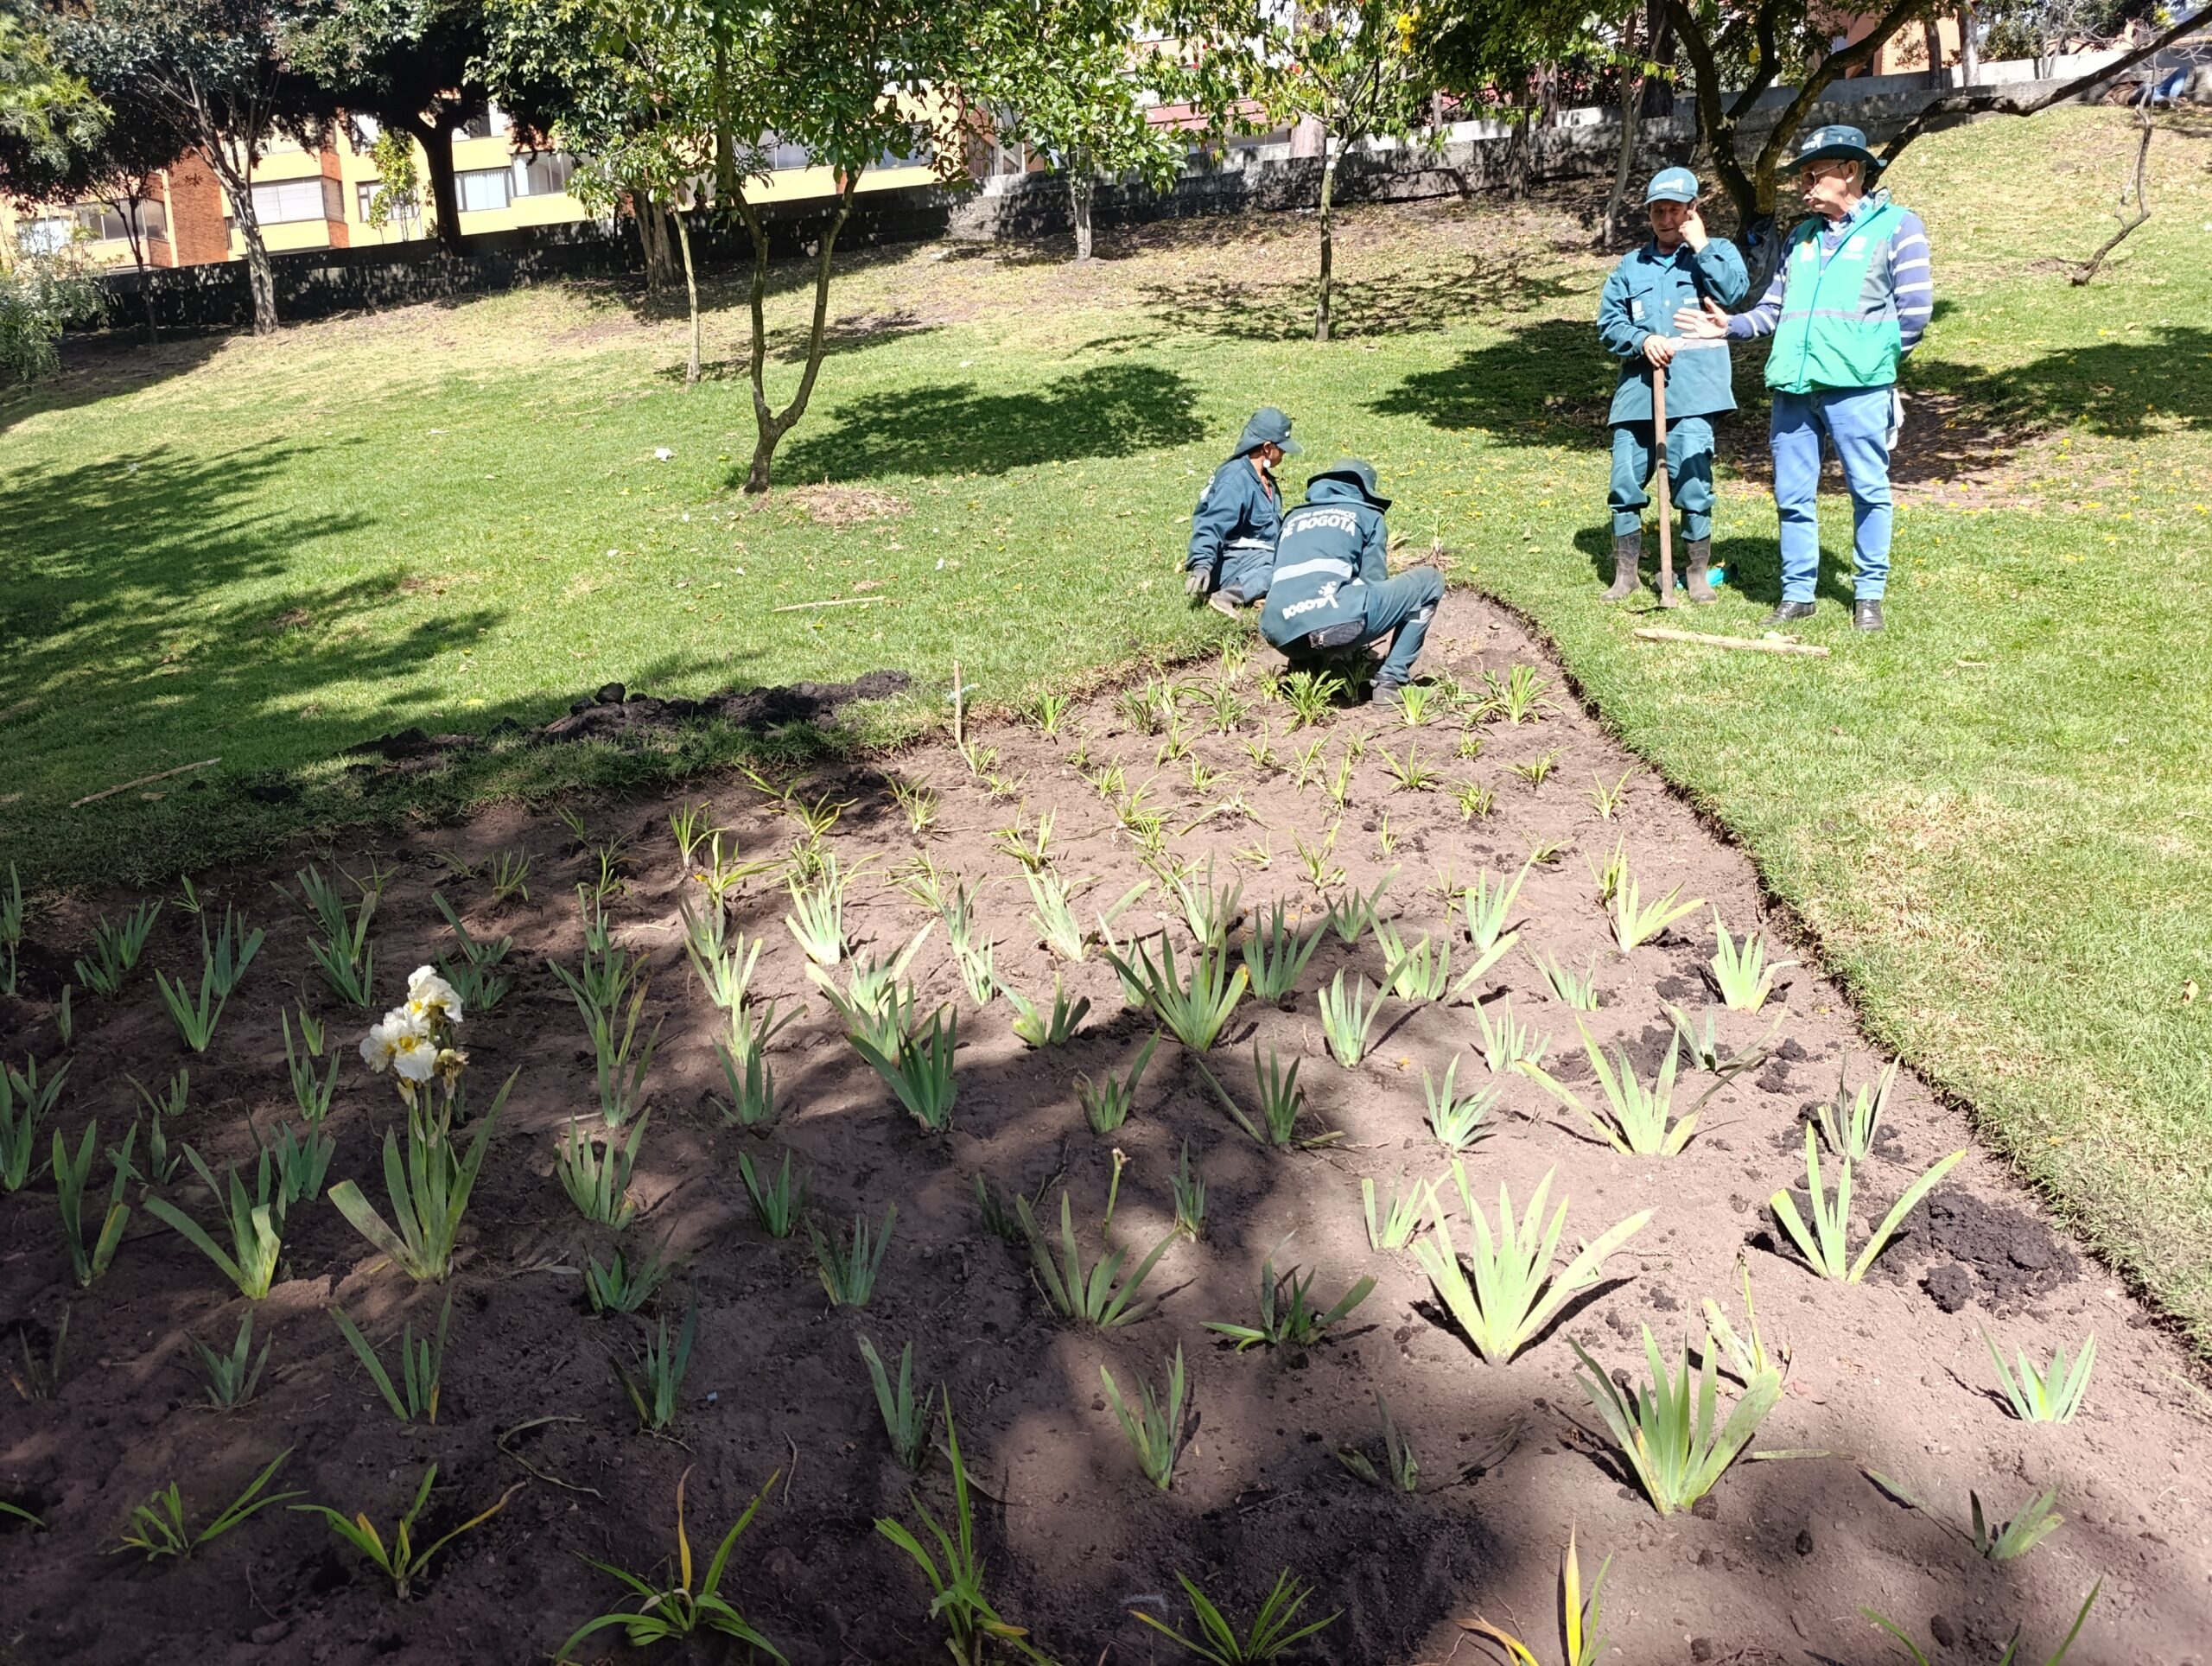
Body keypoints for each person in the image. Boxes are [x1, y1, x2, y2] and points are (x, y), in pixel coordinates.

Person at [1675, 124, 1933, 632]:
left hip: (1858, 388)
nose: (1804, 186)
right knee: (1792, 495)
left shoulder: (1898, 227)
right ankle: (1799, 594)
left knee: (1868, 490)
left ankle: (1868, 596)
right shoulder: (1801, 237)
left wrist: (1870, 363)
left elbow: (1916, 312)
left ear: (1851, 172)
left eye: (1814, 175)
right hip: (1793, 387)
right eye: (1803, 177)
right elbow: (1774, 309)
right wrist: (1729, 325)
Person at [1594, 166, 1749, 603]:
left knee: (1693, 483)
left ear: (1692, 210)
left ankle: (1695, 573)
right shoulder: (1630, 267)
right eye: (1658, 211)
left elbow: (1734, 294)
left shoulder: (1716, 253)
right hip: (1638, 396)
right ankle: (1627, 574)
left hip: (1696, 392)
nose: (1666, 219)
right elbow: (1609, 324)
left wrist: (1700, 245)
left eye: (1675, 210)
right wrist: (1643, 340)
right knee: (1624, 483)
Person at [1259, 460, 1442, 707]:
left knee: (1309, 599)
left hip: (1278, 632)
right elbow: (1374, 581)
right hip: (1334, 628)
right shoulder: (1367, 514)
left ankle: (1305, 668)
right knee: (1429, 582)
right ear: (1365, 491)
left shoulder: (1294, 516)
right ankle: (1393, 683)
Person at [1185, 407, 1299, 617]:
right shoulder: (1235, 479)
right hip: (1229, 562)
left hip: (1255, 557)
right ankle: (1227, 596)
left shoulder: (1265, 479)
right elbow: (1211, 523)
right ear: (1267, 447)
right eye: (1281, 449)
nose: (1283, 454)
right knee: (1284, 568)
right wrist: (1201, 563)